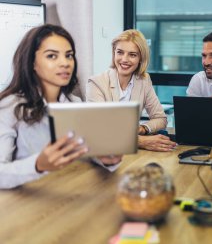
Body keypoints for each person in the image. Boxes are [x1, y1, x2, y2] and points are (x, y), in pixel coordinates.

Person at [0, 24, 121, 189]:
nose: (65, 63)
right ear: (32, 62)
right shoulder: (9, 107)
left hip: (68, 195)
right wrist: (37, 165)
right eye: (52, 56)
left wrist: (105, 159)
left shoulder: (75, 103)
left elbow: (84, 151)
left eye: (69, 55)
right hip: (25, 203)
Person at [87, 29, 176, 152]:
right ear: (114, 53)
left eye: (132, 55)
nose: (124, 59)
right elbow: (98, 130)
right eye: (120, 52)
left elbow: (161, 119)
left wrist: (143, 128)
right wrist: (140, 141)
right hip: (106, 152)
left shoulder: (144, 81)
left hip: (131, 154)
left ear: (141, 58)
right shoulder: (97, 83)